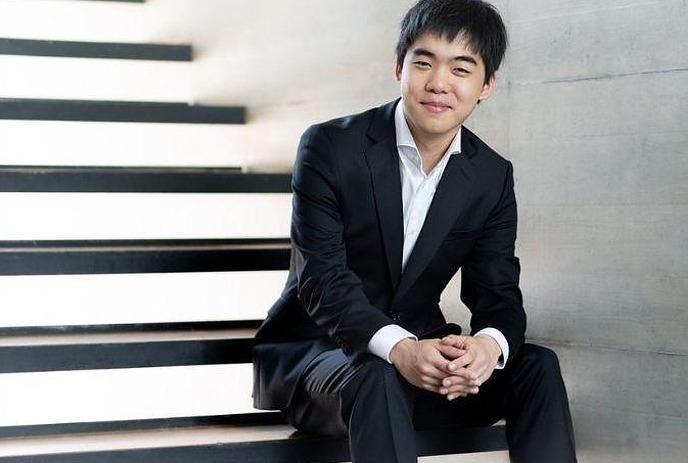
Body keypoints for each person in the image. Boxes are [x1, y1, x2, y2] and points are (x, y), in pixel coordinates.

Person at [252, 0, 578, 461]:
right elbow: (322, 282)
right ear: (398, 68)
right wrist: (400, 348)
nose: (438, 83)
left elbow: (498, 294)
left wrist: (487, 347)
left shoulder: (490, 176)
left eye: (461, 69)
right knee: (378, 373)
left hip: (419, 363)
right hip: (321, 359)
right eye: (423, 62)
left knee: (535, 366)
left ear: (486, 86)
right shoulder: (331, 147)